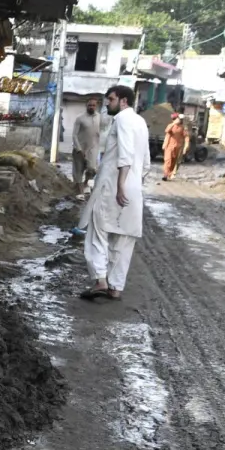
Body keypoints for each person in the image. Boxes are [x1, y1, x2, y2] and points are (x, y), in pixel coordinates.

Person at [80, 84, 151, 302]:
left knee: (97, 231)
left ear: (123, 101)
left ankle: (101, 280)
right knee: (124, 238)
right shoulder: (140, 122)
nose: (106, 103)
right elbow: (146, 162)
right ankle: (115, 287)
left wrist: (120, 185)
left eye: (110, 99)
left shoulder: (121, 119)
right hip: (134, 186)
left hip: (114, 185)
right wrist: (132, 183)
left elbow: (126, 154)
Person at [72, 97, 103, 192]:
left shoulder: (100, 118)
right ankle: (79, 191)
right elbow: (74, 135)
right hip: (80, 149)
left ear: (96, 106)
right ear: (86, 106)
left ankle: (86, 183)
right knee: (78, 171)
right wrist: (79, 149)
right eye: (89, 105)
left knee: (92, 169)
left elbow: (103, 132)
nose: (91, 107)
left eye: (93, 105)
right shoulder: (80, 118)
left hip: (93, 149)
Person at [162, 112, 188, 181]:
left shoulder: (182, 128)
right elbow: (167, 130)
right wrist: (174, 123)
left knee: (173, 162)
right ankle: (165, 174)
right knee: (168, 160)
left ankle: (170, 173)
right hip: (169, 146)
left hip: (177, 147)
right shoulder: (171, 125)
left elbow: (186, 137)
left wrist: (186, 147)